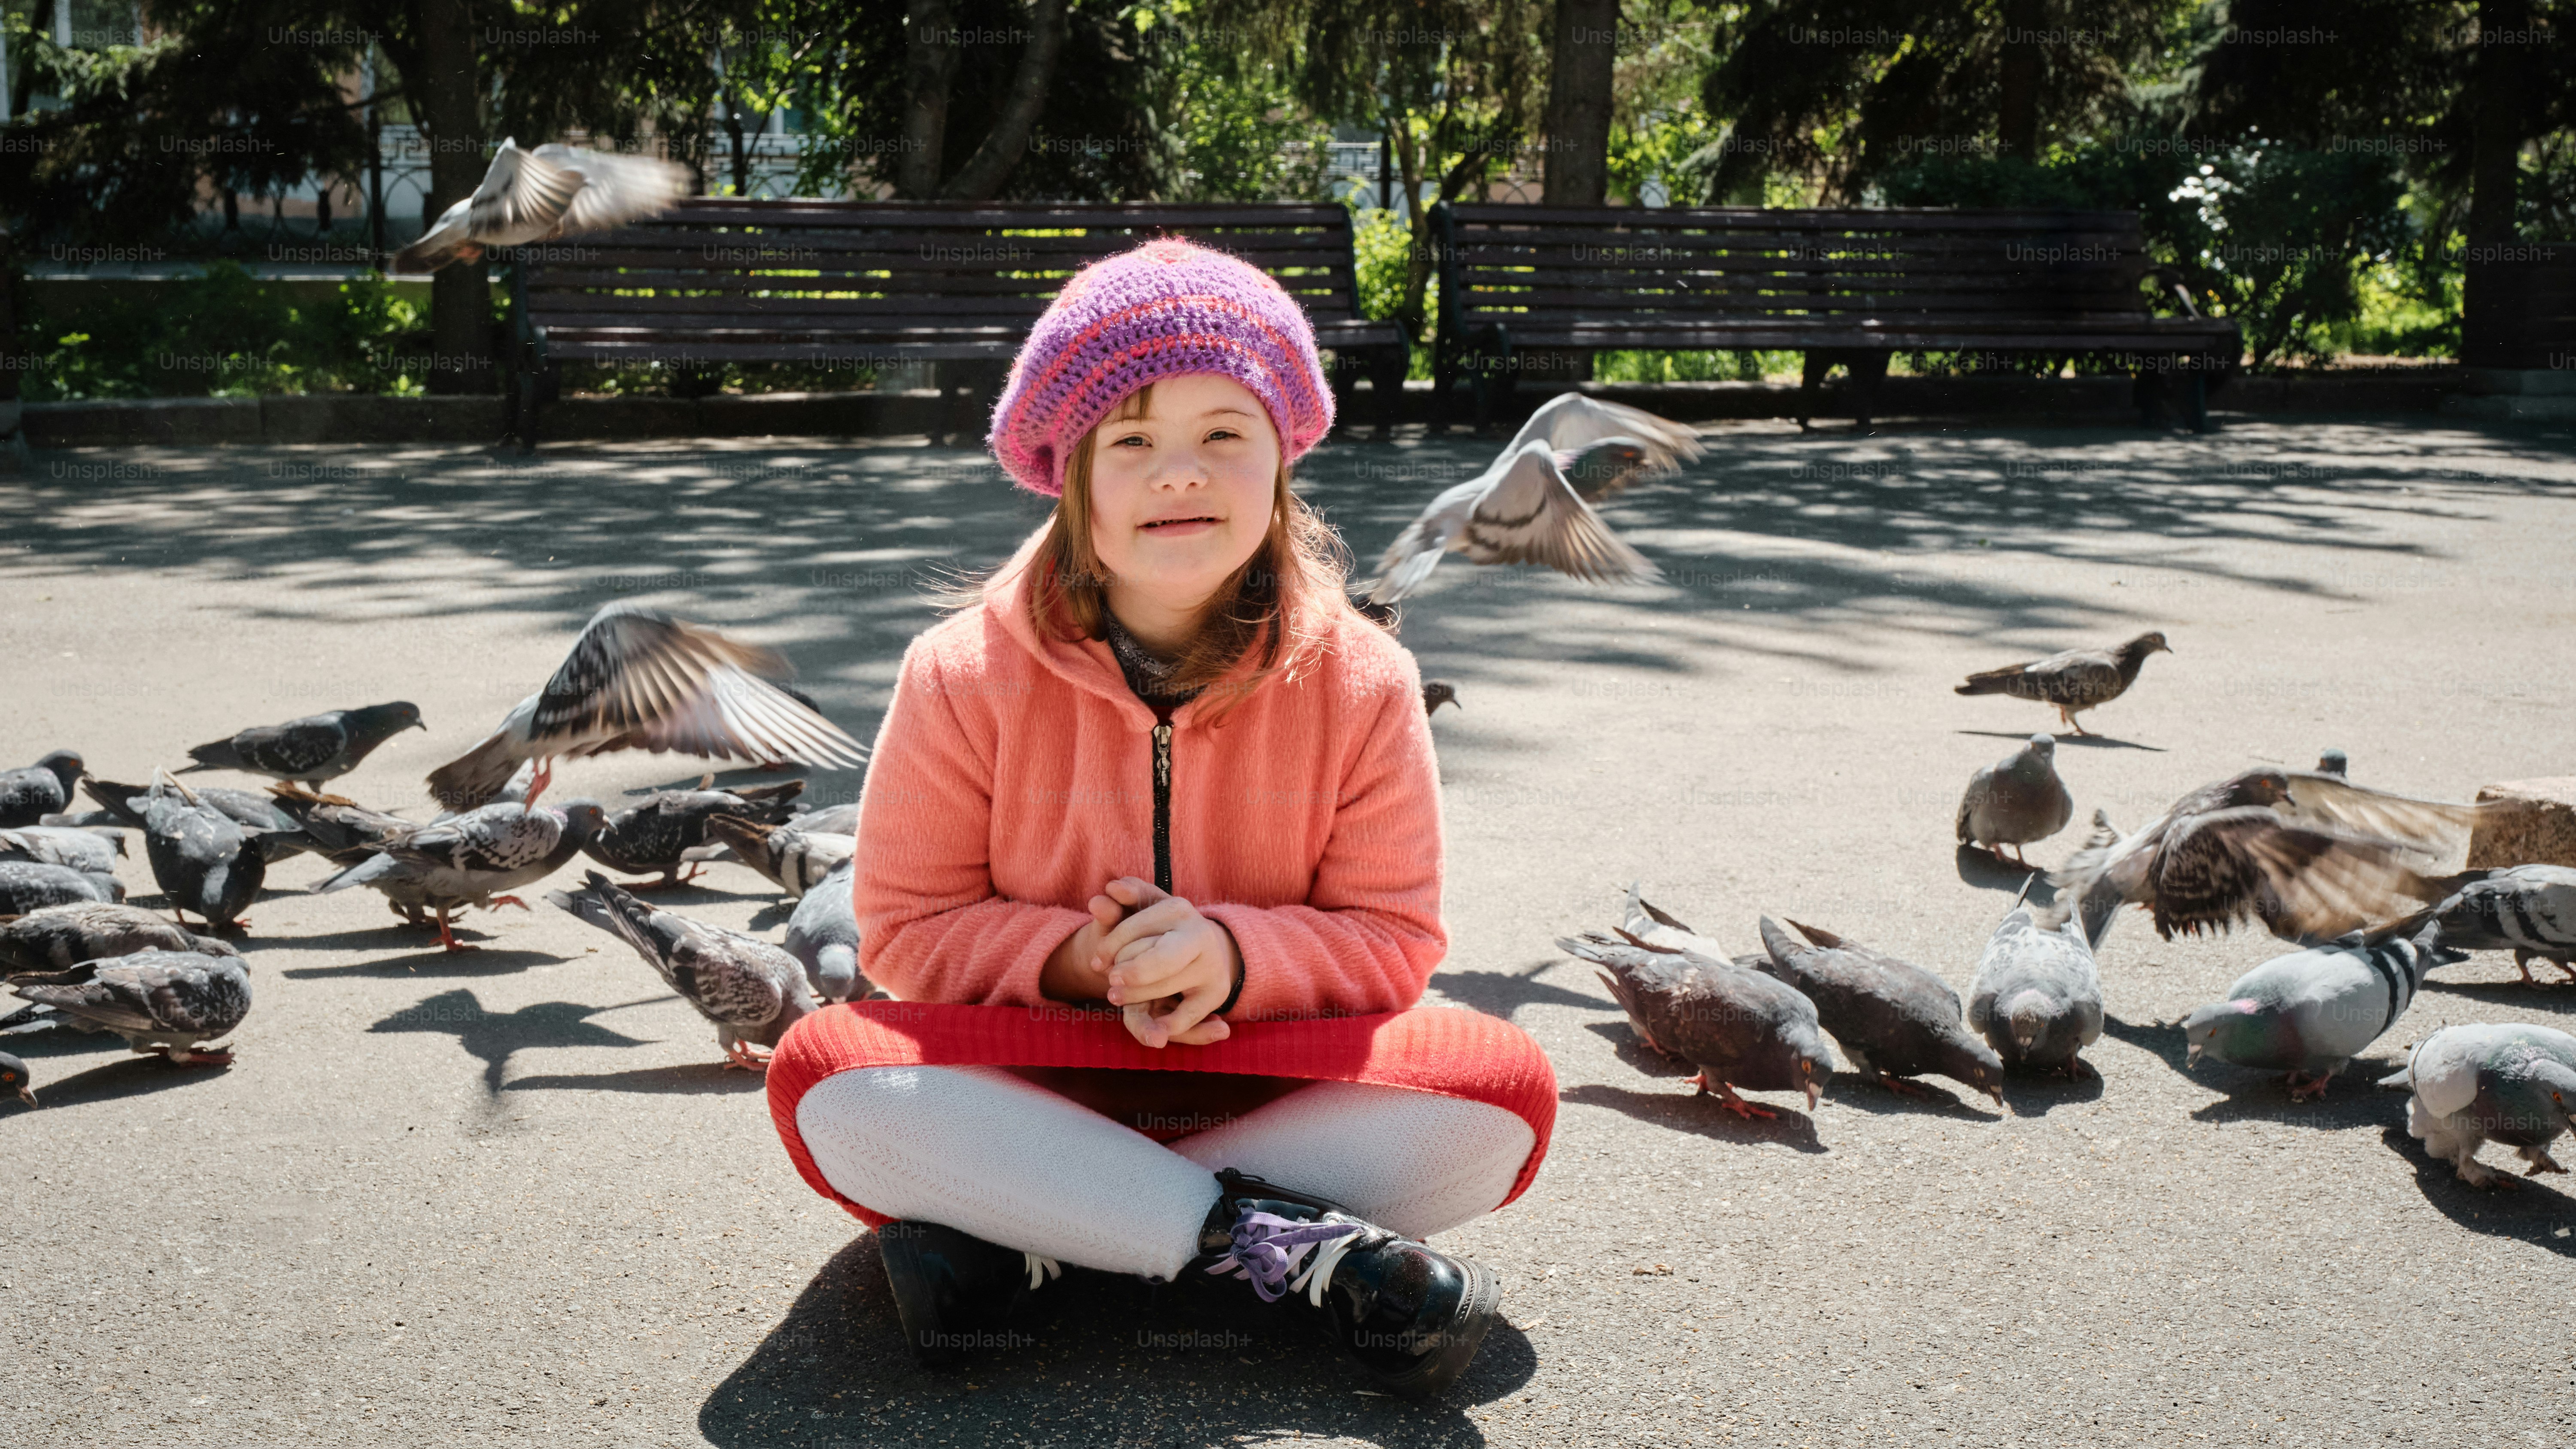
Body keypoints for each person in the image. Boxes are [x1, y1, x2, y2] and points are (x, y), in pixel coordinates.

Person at [764, 237, 1555, 1399]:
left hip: (1275, 1082)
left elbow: (1395, 942)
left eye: (1223, 436)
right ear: (1072, 475)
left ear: (1282, 461)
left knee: (1504, 1090)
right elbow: (903, 934)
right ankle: (1300, 1252)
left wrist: (1235, 958)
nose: (1180, 473)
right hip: (1037, 1074)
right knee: (827, 1071)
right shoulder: (959, 673)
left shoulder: (1367, 678)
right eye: (1131, 441)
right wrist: (1078, 960)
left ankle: (1043, 1232)